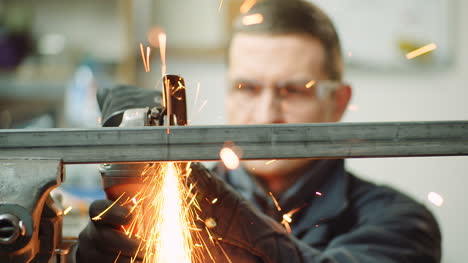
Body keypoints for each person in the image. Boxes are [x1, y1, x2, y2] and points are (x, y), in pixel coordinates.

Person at [72, 0, 441, 262]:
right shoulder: (167, 205)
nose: (266, 113)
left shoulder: (403, 222)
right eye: (247, 88)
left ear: (340, 101)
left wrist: (210, 205)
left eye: (294, 90)